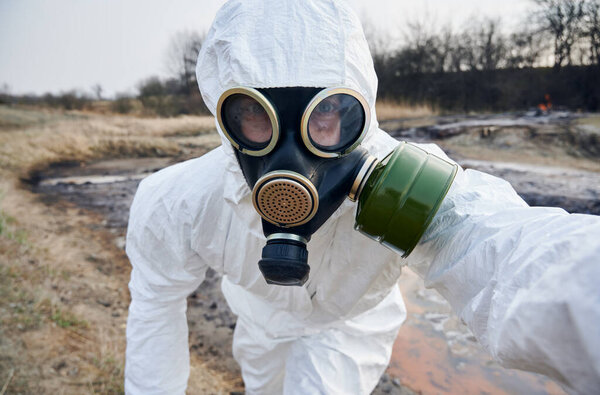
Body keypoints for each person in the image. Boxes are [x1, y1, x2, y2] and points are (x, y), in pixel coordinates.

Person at [124, 0, 600, 394]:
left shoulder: (402, 184)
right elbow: (154, 308)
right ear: (223, 114)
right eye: (256, 113)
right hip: (258, 324)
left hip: (348, 328)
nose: (290, 152)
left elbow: (506, 252)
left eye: (326, 111)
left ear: (360, 109)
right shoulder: (181, 202)